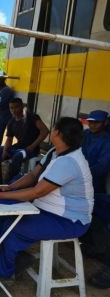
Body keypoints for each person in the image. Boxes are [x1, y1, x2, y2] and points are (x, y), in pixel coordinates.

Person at [0, 117, 93, 280]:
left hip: (69, 221)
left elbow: (36, 192)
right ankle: (10, 256)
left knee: (14, 228)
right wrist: (10, 188)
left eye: (53, 128)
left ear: (57, 133)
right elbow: (33, 175)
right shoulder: (54, 152)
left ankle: (4, 273)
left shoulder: (69, 162)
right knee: (2, 213)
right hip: (48, 211)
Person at [77, 110, 110, 288]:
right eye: (91, 122)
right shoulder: (86, 135)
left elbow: (102, 167)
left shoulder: (107, 141)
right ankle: (94, 246)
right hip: (81, 178)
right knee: (91, 209)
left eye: (97, 122)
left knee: (95, 207)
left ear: (105, 123)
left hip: (93, 181)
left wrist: (84, 176)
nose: (93, 125)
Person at [0, 98, 49, 184]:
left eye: (16, 107)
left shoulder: (32, 117)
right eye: (11, 108)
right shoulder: (11, 122)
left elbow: (45, 131)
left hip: (31, 150)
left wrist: (32, 146)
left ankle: (9, 183)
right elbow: (9, 139)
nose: (14, 110)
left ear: (22, 106)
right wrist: (5, 150)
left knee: (18, 156)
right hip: (18, 147)